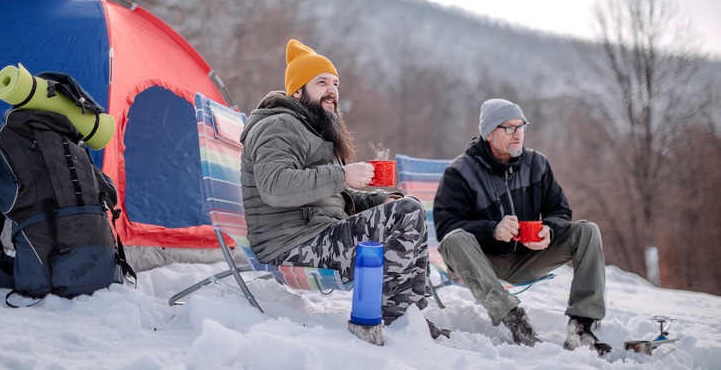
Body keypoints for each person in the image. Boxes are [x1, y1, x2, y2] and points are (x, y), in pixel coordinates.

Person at [239, 39, 449, 339]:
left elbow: (333, 197)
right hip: (291, 245)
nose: (332, 91)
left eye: (335, 83)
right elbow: (276, 187)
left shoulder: (311, 128)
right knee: (407, 213)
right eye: (321, 82)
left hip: (316, 234)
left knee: (404, 207)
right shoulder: (278, 126)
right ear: (297, 91)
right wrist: (341, 174)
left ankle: (409, 320)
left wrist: (380, 199)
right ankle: (397, 321)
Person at [433, 98, 611, 354]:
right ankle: (516, 321)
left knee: (587, 230)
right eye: (509, 128)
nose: (518, 134)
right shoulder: (460, 172)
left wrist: (549, 229)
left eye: (521, 126)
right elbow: (446, 226)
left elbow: (560, 211)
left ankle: (581, 328)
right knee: (454, 239)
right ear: (489, 133)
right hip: (482, 262)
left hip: (527, 257)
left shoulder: (537, 164)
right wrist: (492, 229)